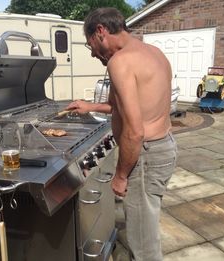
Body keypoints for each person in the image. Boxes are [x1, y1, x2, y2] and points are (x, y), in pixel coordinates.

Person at [66, 7, 177, 261]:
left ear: (101, 31)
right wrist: (89, 106)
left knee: (143, 244)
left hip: (145, 154)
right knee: (146, 225)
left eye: (90, 44)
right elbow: (125, 105)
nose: (93, 53)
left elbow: (135, 132)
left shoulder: (120, 61)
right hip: (164, 147)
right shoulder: (153, 53)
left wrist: (121, 175)